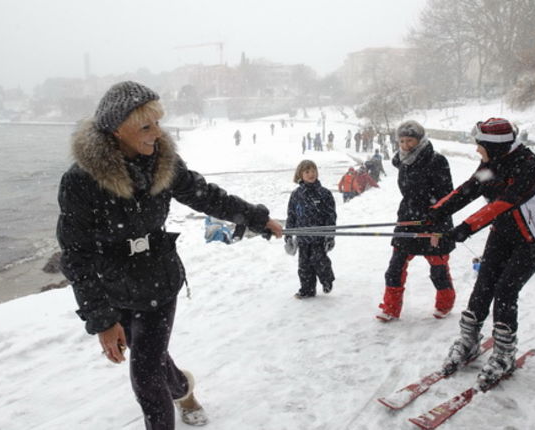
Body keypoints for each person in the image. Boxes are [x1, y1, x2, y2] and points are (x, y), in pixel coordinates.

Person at [56, 81, 284, 430]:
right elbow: (75, 254)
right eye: (146, 127)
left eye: (158, 124)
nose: (157, 134)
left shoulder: (163, 161)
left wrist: (256, 217)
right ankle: (184, 391)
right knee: (154, 360)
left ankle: (172, 403)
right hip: (113, 285)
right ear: (117, 130)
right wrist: (102, 319)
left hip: (157, 281)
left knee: (146, 376)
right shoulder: (81, 181)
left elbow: (206, 196)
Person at [427, 117, 535, 389]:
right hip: (503, 234)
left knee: (506, 291)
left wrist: (463, 229)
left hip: (533, 240)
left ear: (494, 147)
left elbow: (500, 205)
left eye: (480, 146)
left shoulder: (527, 170)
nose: (476, 150)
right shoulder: (492, 165)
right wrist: (437, 212)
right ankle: (469, 341)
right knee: (483, 285)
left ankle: (505, 354)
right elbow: (470, 189)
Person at [377, 120, 457, 322]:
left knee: (438, 269)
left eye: (410, 140)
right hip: (407, 218)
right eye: (401, 141)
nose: (405, 145)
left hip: (434, 221)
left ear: (420, 140)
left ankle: (445, 303)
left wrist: (437, 226)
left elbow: (447, 196)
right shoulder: (403, 161)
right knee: (395, 267)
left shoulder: (437, 161)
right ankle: (390, 308)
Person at [284, 160, 337, 298]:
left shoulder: (324, 194)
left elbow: (331, 216)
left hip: (319, 237)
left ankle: (327, 280)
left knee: (320, 262)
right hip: (303, 238)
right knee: (304, 266)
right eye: (307, 172)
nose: (311, 174)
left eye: (313, 171)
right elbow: (291, 215)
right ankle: (307, 289)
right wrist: (288, 235)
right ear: (300, 175)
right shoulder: (296, 195)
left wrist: (330, 236)